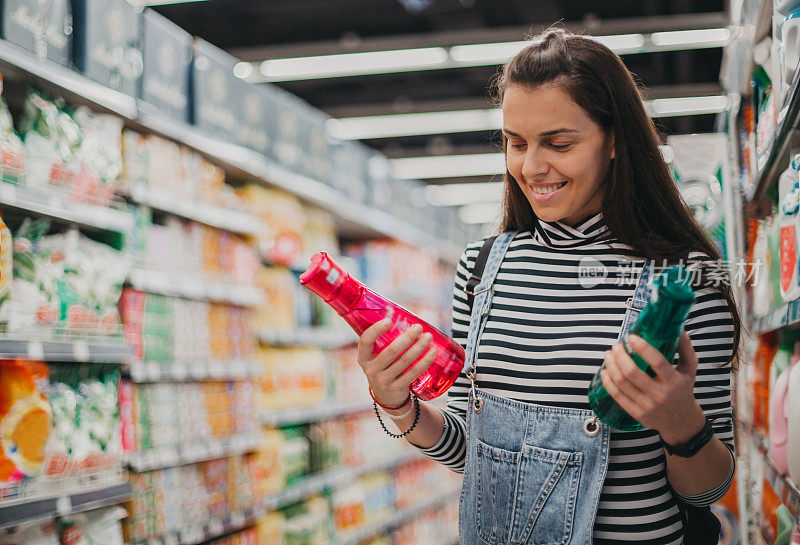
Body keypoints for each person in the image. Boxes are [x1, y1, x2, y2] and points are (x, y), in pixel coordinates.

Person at [357, 28, 740, 545]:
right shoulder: (482, 267)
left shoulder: (685, 280)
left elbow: (709, 489)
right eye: (516, 143)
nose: (531, 167)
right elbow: (477, 452)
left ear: (615, 143)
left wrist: (680, 423)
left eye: (558, 143)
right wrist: (399, 404)